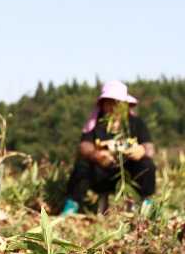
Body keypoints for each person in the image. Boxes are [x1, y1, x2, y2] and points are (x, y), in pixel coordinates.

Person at [61, 80, 156, 215]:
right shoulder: (95, 124)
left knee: (147, 164)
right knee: (82, 165)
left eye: (117, 103)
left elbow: (149, 147)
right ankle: (72, 204)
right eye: (109, 102)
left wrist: (142, 151)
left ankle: (146, 205)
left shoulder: (135, 123)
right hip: (102, 175)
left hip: (128, 175)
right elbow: (84, 146)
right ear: (103, 103)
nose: (113, 107)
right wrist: (96, 155)